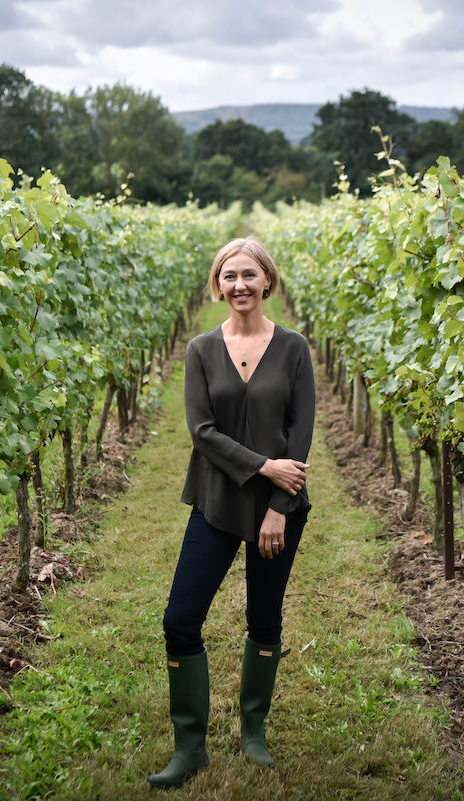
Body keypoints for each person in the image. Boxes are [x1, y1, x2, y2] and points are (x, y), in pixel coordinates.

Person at [147, 237, 315, 789]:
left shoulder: (293, 349)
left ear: (268, 280)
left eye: (249, 274)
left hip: (277, 510)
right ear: (217, 286)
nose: (239, 285)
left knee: (264, 618)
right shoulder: (200, 349)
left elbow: (301, 437)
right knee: (179, 619)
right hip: (216, 503)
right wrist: (266, 466)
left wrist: (278, 508)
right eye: (228, 276)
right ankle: (189, 745)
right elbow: (202, 433)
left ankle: (253, 732)